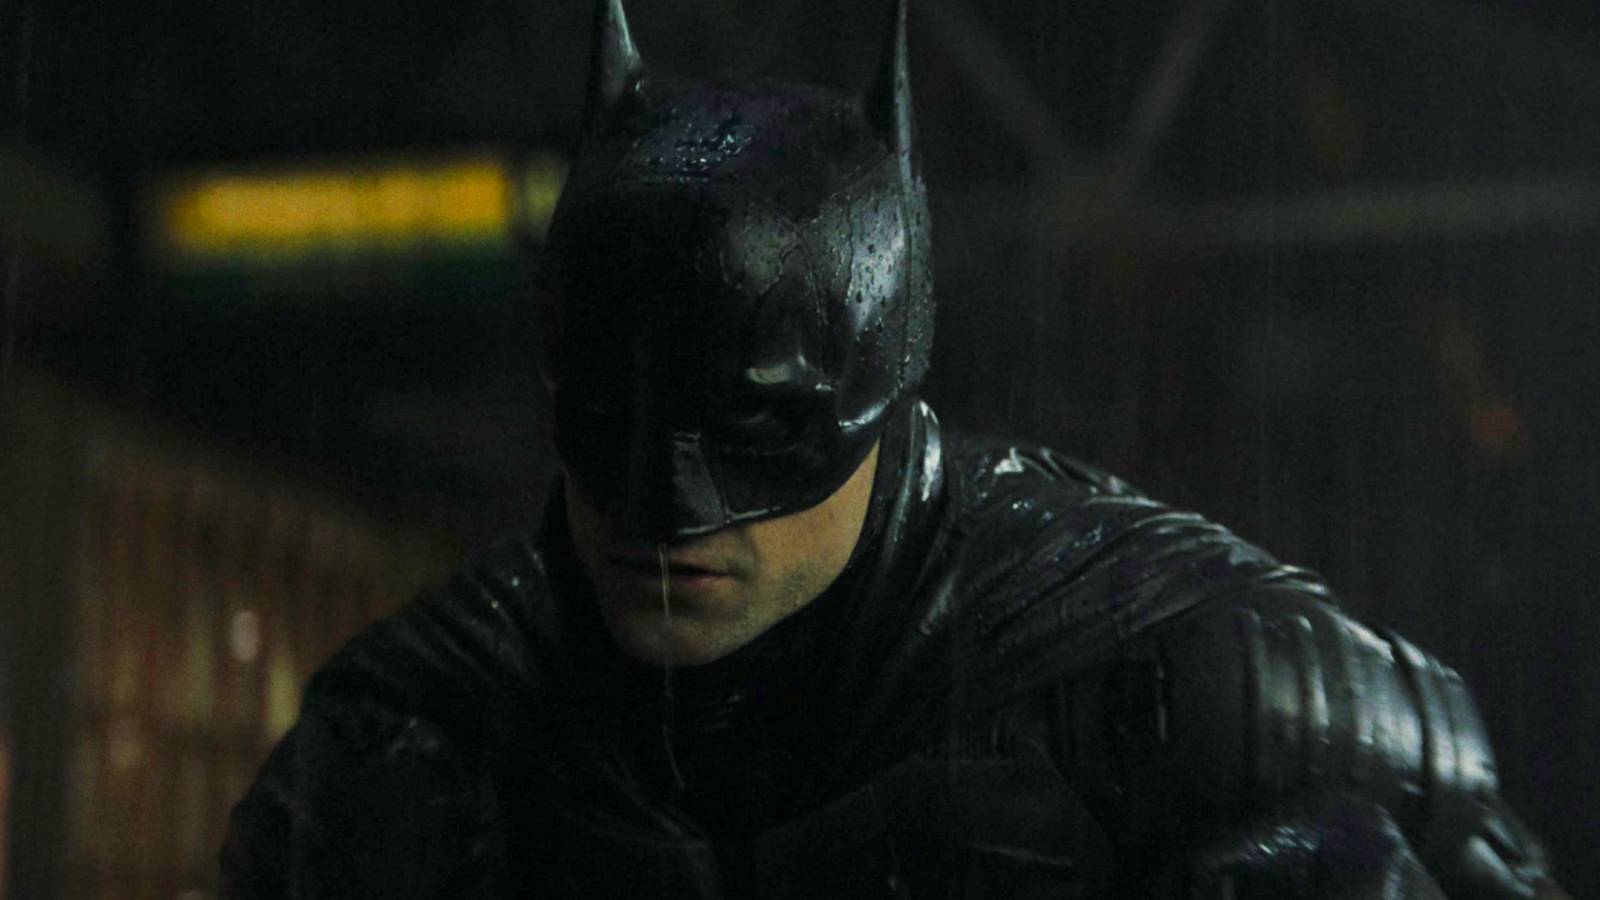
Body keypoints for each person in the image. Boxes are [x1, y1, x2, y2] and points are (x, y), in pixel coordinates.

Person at [221, 1, 1568, 896]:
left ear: (884, 400)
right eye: (615, 424)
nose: (671, 508)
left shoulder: (1181, 679)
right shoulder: (413, 738)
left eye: (759, 430)